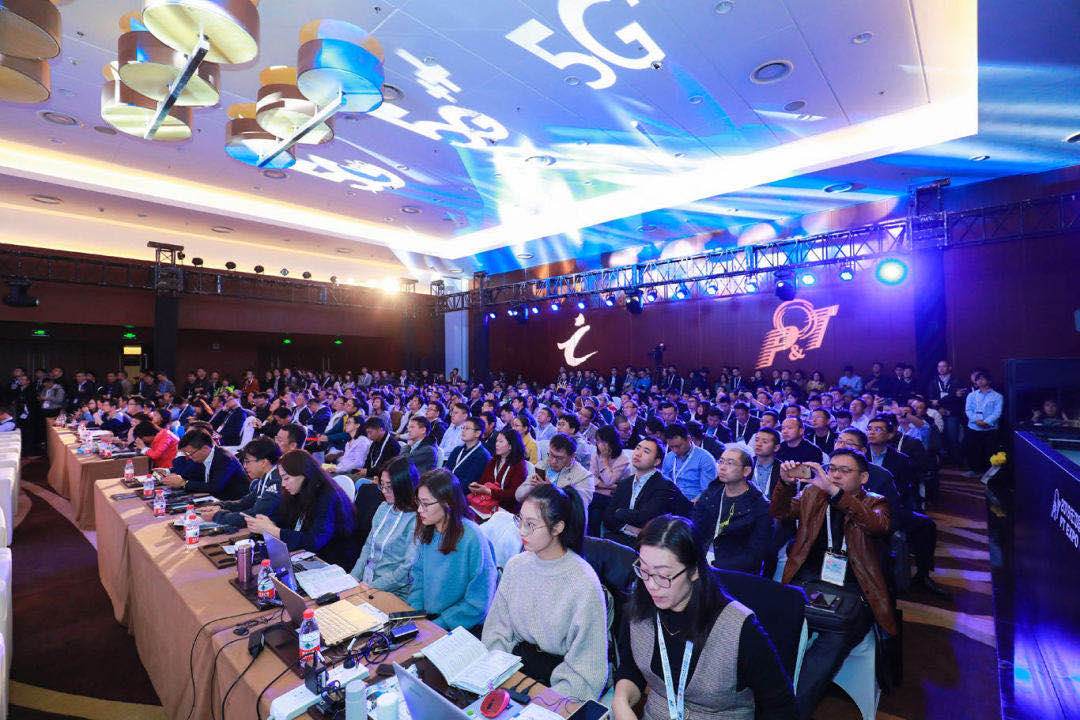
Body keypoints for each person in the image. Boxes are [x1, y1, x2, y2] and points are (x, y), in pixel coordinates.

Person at [611, 515, 798, 720]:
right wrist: (620, 700)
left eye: (663, 576)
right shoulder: (640, 609)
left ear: (694, 571)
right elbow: (631, 668)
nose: (652, 585)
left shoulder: (739, 629)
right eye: (645, 571)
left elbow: (782, 708)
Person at [770, 452, 897, 720]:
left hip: (856, 590)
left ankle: (791, 712)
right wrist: (784, 483)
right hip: (810, 581)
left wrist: (835, 492)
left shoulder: (877, 502)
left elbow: (876, 525)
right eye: (832, 469)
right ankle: (769, 696)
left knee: (835, 634)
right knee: (775, 621)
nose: (835, 475)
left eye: (844, 471)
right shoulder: (812, 495)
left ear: (863, 478)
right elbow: (779, 512)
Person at [482, 484, 608, 701]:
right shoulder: (516, 565)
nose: (522, 531)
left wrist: (546, 702)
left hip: (557, 682)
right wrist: (496, 673)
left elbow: (585, 671)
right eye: (520, 520)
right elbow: (496, 631)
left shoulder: (583, 583)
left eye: (531, 525)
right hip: (511, 669)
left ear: (557, 528)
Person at [408, 469, 498, 630]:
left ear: (448, 502)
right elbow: (418, 577)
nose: (420, 509)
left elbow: (478, 603)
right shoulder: (428, 528)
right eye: (419, 502)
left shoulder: (473, 537)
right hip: (428, 619)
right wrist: (416, 616)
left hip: (460, 626)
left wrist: (436, 626)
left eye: (426, 504)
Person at [244, 449, 359, 568]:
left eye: (286, 478)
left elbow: (314, 541)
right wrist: (271, 524)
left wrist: (271, 529)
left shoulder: (327, 496)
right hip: (305, 555)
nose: (283, 484)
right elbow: (289, 524)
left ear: (304, 474)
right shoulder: (298, 491)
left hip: (330, 561)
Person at [691, 448, 772, 574]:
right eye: (721, 462)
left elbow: (755, 555)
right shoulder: (711, 493)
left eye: (730, 463)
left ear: (746, 471)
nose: (722, 467)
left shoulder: (760, 506)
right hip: (702, 557)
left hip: (733, 569)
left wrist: (717, 565)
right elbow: (694, 528)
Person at [349, 456, 419, 599]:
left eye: (390, 487)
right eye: (382, 485)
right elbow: (368, 546)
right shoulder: (383, 507)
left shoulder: (415, 519)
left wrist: (370, 587)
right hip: (367, 583)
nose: (384, 491)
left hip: (392, 591)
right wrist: (353, 578)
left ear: (404, 487)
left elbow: (406, 569)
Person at [602, 437, 683, 548]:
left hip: (648, 545)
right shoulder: (625, 483)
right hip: (619, 539)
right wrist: (629, 528)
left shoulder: (664, 485)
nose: (638, 454)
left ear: (657, 461)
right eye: (637, 448)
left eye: (646, 451)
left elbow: (646, 518)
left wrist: (620, 512)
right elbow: (608, 518)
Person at [202, 436, 283, 527]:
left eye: (248, 462)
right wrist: (220, 506)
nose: (245, 466)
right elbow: (244, 503)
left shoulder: (275, 481)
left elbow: (254, 515)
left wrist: (217, 516)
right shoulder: (264, 478)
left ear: (263, 462)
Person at [516, 434, 596, 516]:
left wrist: (551, 489)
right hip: (535, 515)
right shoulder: (542, 466)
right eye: (551, 455)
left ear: (572, 456)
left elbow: (578, 509)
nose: (553, 461)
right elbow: (518, 496)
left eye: (559, 458)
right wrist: (531, 487)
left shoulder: (584, 477)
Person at [163, 429, 248, 500]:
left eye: (190, 454)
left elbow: (215, 487)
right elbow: (190, 475)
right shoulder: (202, 456)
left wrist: (183, 483)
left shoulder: (224, 458)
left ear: (204, 449)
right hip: (213, 498)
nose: (190, 457)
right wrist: (175, 479)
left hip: (233, 502)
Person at [468, 427, 528, 517]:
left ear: (510, 446)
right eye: (496, 441)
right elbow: (483, 481)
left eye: (501, 442)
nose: (497, 444)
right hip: (488, 503)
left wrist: (489, 491)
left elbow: (513, 494)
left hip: (506, 509)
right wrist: (476, 486)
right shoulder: (494, 461)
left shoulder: (519, 464)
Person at [589, 424, 630, 536]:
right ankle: (594, 541)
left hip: (616, 497)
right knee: (595, 515)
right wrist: (611, 487)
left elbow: (608, 481)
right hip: (602, 494)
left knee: (590, 502)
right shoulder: (595, 455)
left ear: (612, 442)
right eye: (598, 441)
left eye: (603, 441)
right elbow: (591, 477)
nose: (600, 445)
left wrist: (605, 459)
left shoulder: (623, 460)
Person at [661, 423, 716, 502]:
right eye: (671, 447)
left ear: (689, 439)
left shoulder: (705, 458)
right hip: (672, 501)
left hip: (695, 503)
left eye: (678, 446)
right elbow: (664, 484)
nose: (675, 450)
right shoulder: (669, 457)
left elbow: (707, 491)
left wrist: (692, 502)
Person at [964, 371, 1003, 475]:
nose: (979, 381)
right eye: (978, 379)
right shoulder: (971, 395)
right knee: (974, 450)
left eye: (982, 378)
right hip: (974, 427)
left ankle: (988, 474)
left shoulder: (997, 396)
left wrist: (985, 422)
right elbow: (968, 410)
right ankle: (975, 470)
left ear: (989, 380)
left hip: (990, 428)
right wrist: (976, 421)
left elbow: (997, 412)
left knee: (989, 451)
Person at [444, 416, 491, 490]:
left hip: (461, 492)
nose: (463, 431)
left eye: (467, 428)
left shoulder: (482, 455)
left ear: (477, 433)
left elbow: (469, 482)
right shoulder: (457, 449)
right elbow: (446, 470)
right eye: (463, 428)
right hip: (447, 487)